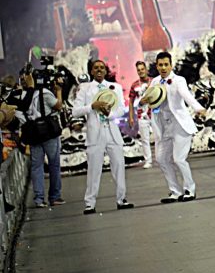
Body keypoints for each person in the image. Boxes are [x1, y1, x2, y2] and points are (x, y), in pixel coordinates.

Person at [72, 60, 133, 214]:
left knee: (119, 166)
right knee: (94, 169)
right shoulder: (84, 88)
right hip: (95, 134)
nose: (99, 70)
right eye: (95, 68)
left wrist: (110, 114)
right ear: (91, 71)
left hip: (112, 131)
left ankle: (122, 199)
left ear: (106, 71)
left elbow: (121, 109)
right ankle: (90, 203)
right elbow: (75, 111)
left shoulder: (115, 87)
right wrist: (92, 106)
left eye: (101, 68)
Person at [146, 51, 206, 202]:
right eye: (161, 65)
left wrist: (198, 108)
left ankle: (189, 190)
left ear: (171, 65)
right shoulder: (154, 82)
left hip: (180, 124)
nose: (163, 67)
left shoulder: (179, 80)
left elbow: (186, 95)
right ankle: (175, 191)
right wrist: (142, 102)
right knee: (161, 159)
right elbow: (151, 100)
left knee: (179, 159)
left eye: (166, 64)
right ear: (157, 66)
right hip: (164, 125)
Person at [16, 69, 64, 208]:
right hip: (48, 132)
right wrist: (59, 91)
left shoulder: (21, 95)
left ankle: (39, 199)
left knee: (37, 166)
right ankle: (54, 197)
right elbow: (58, 106)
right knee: (54, 164)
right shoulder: (46, 93)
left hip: (33, 134)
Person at [127, 60, 154, 169]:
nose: (141, 71)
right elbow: (130, 100)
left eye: (142, 69)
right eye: (138, 70)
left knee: (161, 137)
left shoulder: (153, 81)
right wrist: (130, 116)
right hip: (141, 115)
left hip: (154, 113)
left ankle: (166, 158)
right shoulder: (134, 85)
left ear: (146, 69)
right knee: (145, 139)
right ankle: (148, 160)